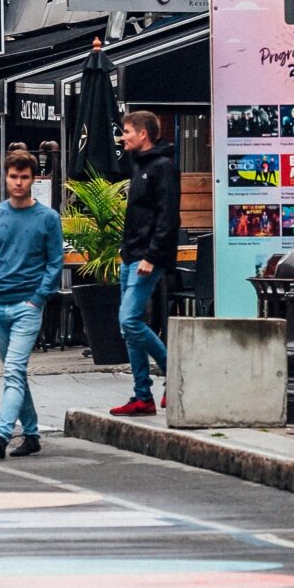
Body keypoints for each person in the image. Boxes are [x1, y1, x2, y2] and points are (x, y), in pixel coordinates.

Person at [0, 147, 62, 461]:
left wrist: (37, 299)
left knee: (12, 372)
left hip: (26, 307)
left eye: (24, 177)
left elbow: (55, 262)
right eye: (13, 176)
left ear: (33, 180)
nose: (18, 182)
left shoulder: (48, 218)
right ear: (5, 178)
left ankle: (2, 434)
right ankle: (33, 434)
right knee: (16, 374)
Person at [110, 108, 177, 418]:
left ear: (143, 134)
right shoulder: (139, 166)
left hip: (146, 257)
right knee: (129, 328)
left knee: (130, 320)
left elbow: (167, 216)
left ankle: (175, 375)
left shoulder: (162, 167)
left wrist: (152, 255)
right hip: (132, 255)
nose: (123, 137)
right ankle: (142, 395)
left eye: (126, 132)